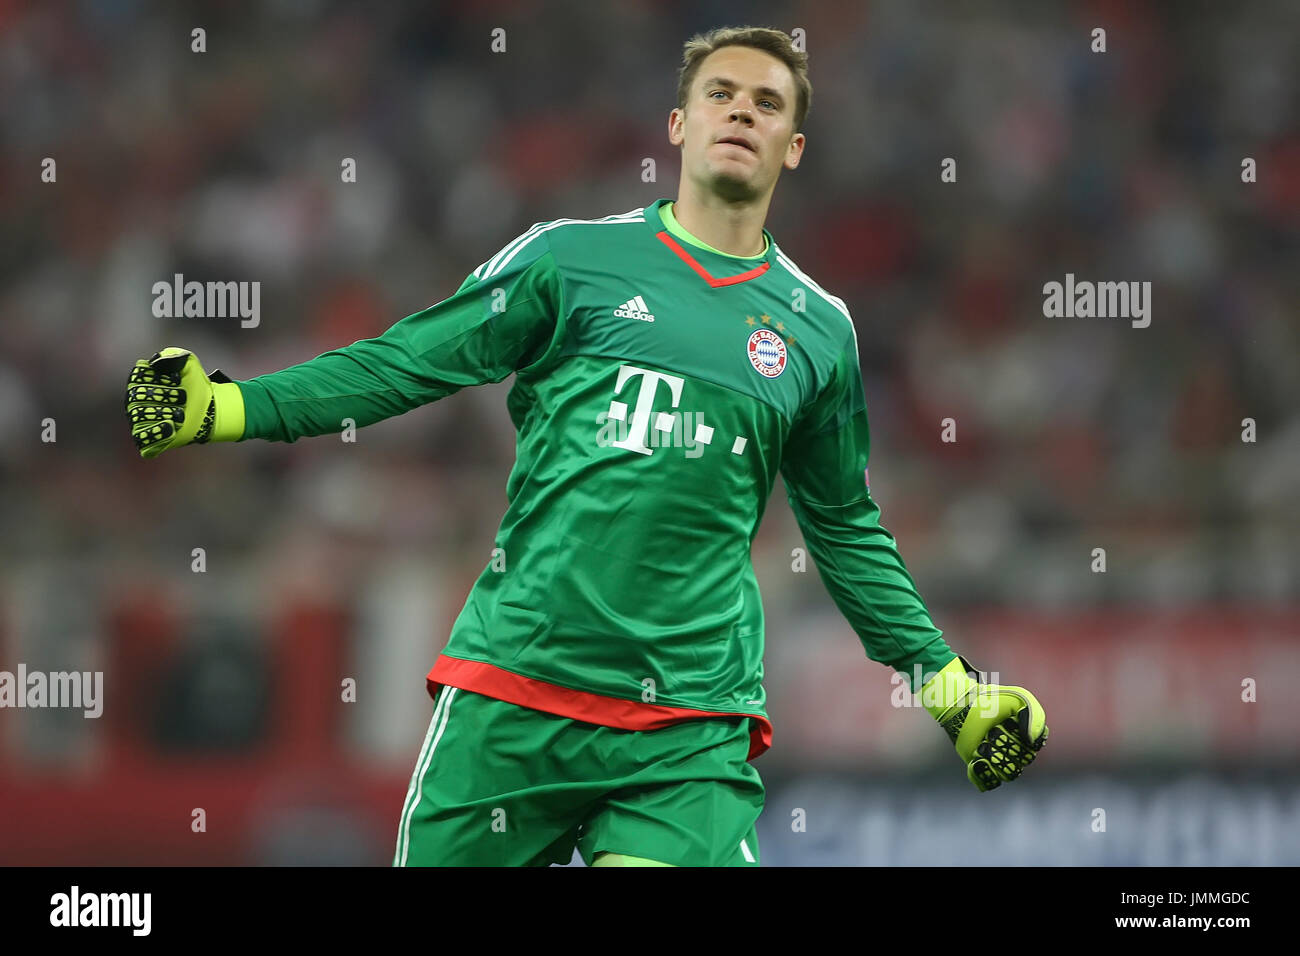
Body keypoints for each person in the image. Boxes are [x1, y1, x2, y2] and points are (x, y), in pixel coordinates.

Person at [123, 25, 1047, 867]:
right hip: (517, 690)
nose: (742, 113)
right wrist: (230, 409)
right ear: (679, 125)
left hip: (687, 721)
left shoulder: (819, 334)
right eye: (722, 94)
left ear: (792, 148)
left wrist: (949, 687)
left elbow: (844, 529)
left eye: (768, 104)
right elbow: (408, 362)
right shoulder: (568, 263)